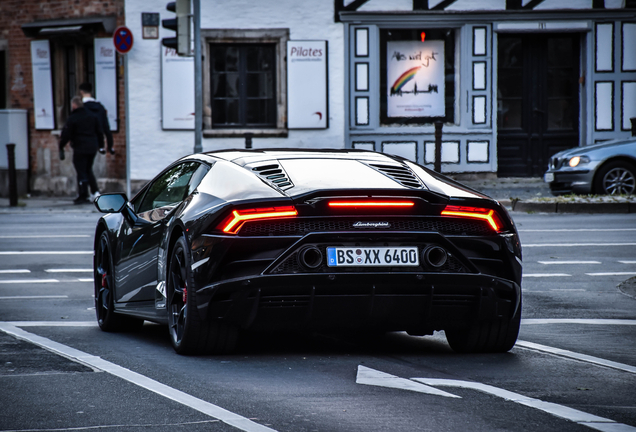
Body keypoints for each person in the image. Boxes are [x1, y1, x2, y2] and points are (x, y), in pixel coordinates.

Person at [59, 96, 103, 204]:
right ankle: (95, 192)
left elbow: (66, 134)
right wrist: (101, 146)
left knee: (81, 170)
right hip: (92, 147)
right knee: (88, 169)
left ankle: (83, 194)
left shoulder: (73, 118)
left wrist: (61, 146)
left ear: (74, 105)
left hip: (80, 147)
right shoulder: (92, 116)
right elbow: (99, 132)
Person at [79, 82, 114, 155]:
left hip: (84, 142)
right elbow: (106, 127)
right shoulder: (100, 107)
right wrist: (110, 146)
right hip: (98, 142)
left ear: (81, 92)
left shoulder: (81, 108)